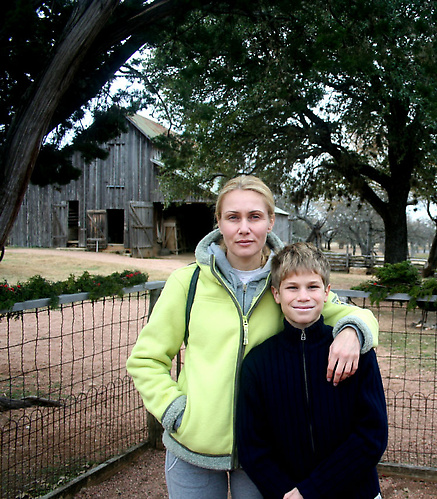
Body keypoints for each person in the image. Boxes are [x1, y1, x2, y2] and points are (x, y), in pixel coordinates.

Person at [126, 175, 379, 499]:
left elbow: (357, 315)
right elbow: (146, 359)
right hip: (193, 449)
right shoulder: (186, 283)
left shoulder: (287, 281)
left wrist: (352, 333)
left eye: (255, 217)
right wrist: (175, 412)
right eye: (233, 217)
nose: (244, 228)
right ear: (219, 222)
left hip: (264, 455)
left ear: (270, 221)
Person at [236, 243, 388, 499]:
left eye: (313, 287)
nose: (303, 296)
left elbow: (372, 435)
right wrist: (290, 493)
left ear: (327, 292)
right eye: (292, 288)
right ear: (276, 294)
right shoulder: (258, 363)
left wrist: (311, 490)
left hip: (356, 492)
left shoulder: (355, 351)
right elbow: (253, 446)